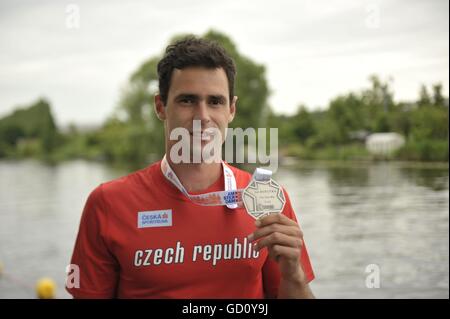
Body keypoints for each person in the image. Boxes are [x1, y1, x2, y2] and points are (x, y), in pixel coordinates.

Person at [66, 37, 315, 299]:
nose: (203, 116)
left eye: (215, 102)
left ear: (231, 109)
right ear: (160, 106)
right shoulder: (108, 203)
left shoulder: (266, 198)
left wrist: (294, 275)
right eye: (187, 100)